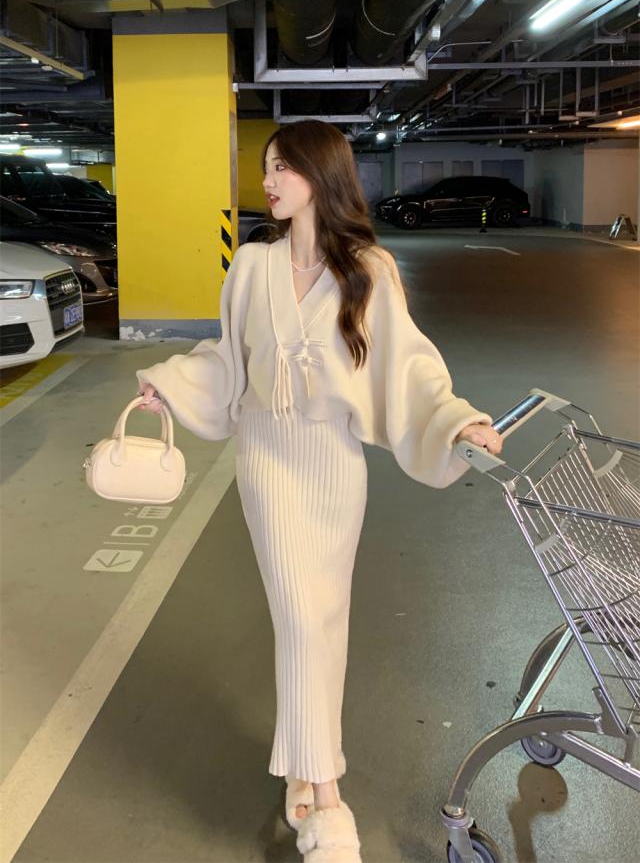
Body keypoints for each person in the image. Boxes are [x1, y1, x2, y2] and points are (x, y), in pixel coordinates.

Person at [136, 119, 503, 861]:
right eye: (267, 166)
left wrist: (457, 420)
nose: (269, 179)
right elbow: (228, 358)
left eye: (284, 167)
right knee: (303, 618)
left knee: (324, 620)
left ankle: (303, 769)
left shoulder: (369, 269)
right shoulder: (251, 266)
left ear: (321, 174)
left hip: (335, 463)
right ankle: (328, 799)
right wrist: (169, 384)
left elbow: (408, 366)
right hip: (268, 460)